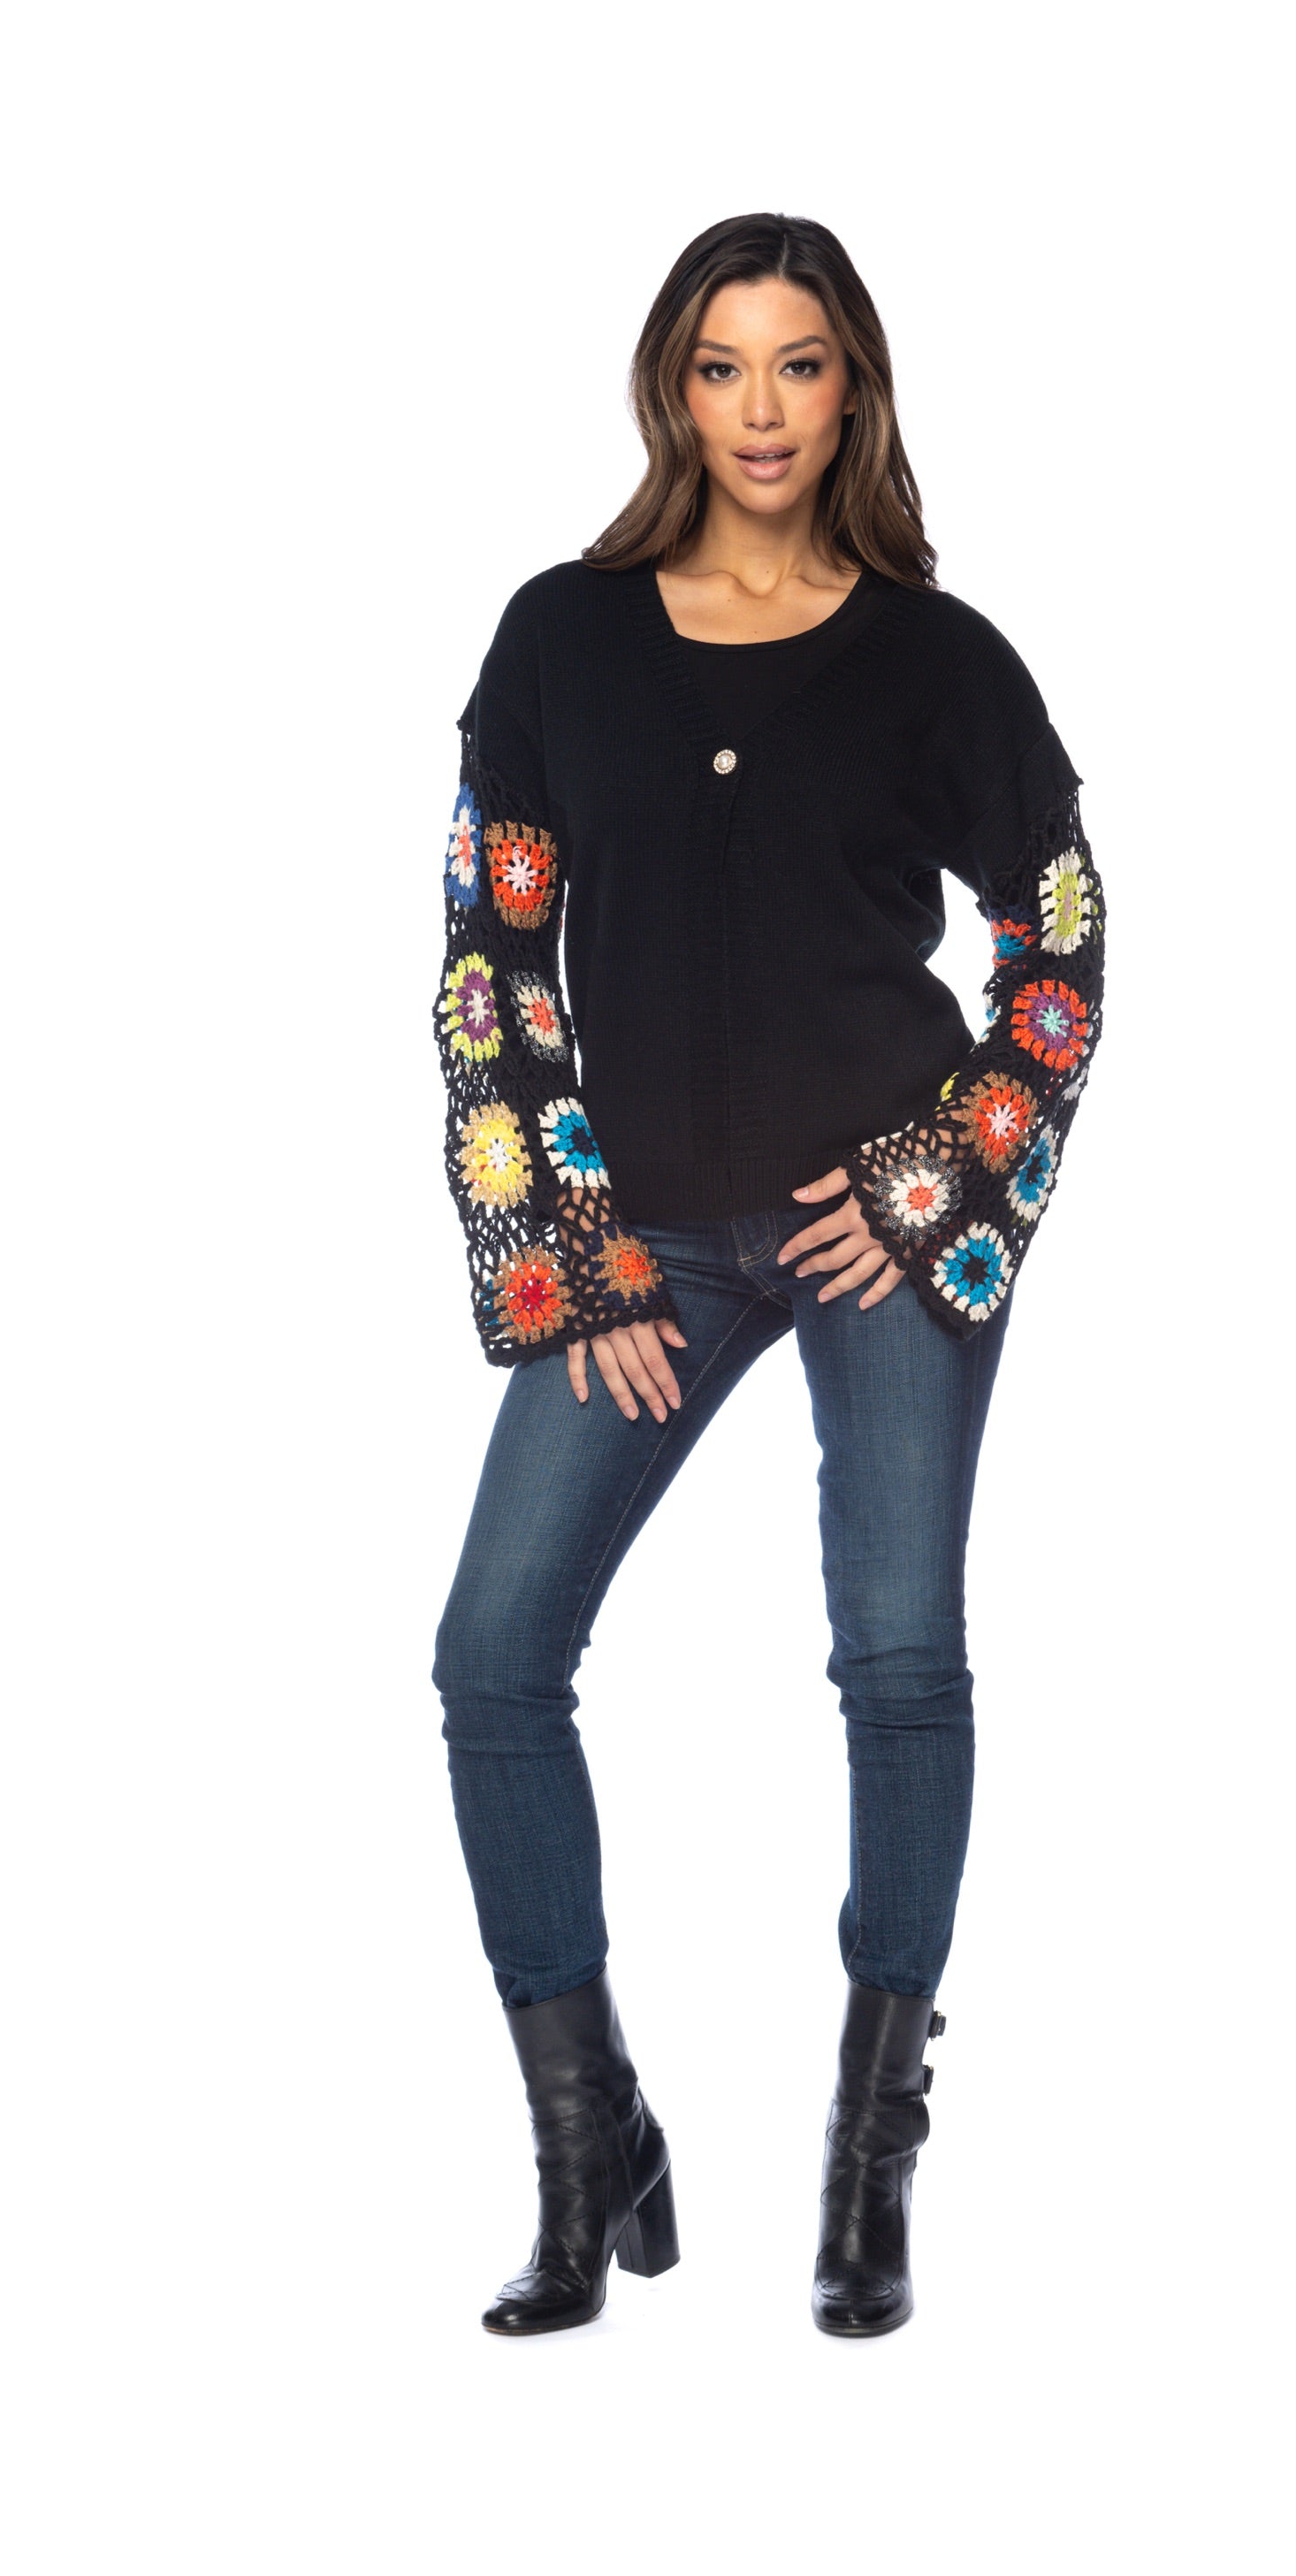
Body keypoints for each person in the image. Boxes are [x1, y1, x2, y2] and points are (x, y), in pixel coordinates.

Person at [431, 212, 1105, 2337]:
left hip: (880, 1227)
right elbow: (493, 967)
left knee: (898, 1659)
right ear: (669, 386)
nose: (759, 410)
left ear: (853, 389)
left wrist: (926, 1180)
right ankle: (589, 2144)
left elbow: (1060, 944)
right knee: (492, 1655)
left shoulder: (938, 659)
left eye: (798, 365)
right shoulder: (560, 637)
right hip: (642, 1238)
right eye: (720, 366)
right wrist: (576, 1260)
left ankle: (865, 2165)